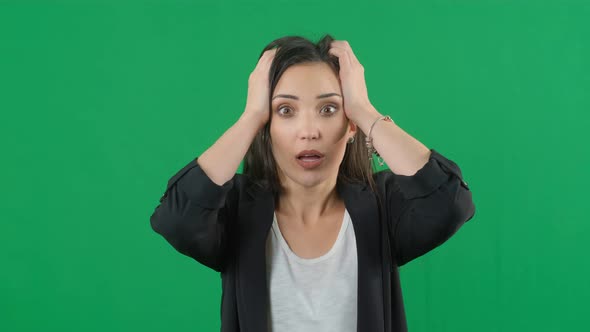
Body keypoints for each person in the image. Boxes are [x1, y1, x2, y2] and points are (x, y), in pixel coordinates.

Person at [150, 34, 476, 332]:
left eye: (329, 108)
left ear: (349, 125)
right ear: (268, 126)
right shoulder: (236, 210)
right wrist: (250, 118)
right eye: (286, 110)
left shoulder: (381, 206)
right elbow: (177, 218)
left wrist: (364, 110)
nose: (309, 131)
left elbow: (450, 203)